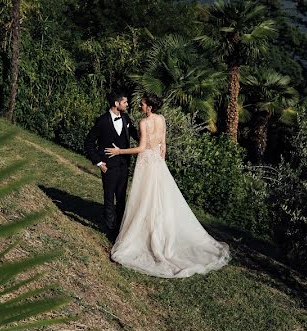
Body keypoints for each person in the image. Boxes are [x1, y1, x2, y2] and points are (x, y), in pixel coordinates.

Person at [104, 92, 230, 278]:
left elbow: (140, 148)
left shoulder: (144, 123)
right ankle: (155, 233)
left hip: (146, 163)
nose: (140, 106)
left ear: (150, 107)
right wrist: (160, 160)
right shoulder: (161, 119)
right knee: (158, 200)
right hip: (157, 163)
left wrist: (119, 151)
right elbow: (164, 143)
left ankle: (145, 235)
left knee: (145, 199)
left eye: (143, 104)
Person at [84, 91, 138, 241]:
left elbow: (137, 135)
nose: (127, 104)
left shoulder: (126, 118)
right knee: (109, 198)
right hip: (109, 167)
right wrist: (99, 163)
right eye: (125, 102)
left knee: (121, 198)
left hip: (124, 166)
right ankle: (110, 231)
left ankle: (120, 229)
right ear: (116, 104)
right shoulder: (102, 121)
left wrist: (152, 135)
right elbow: (89, 143)